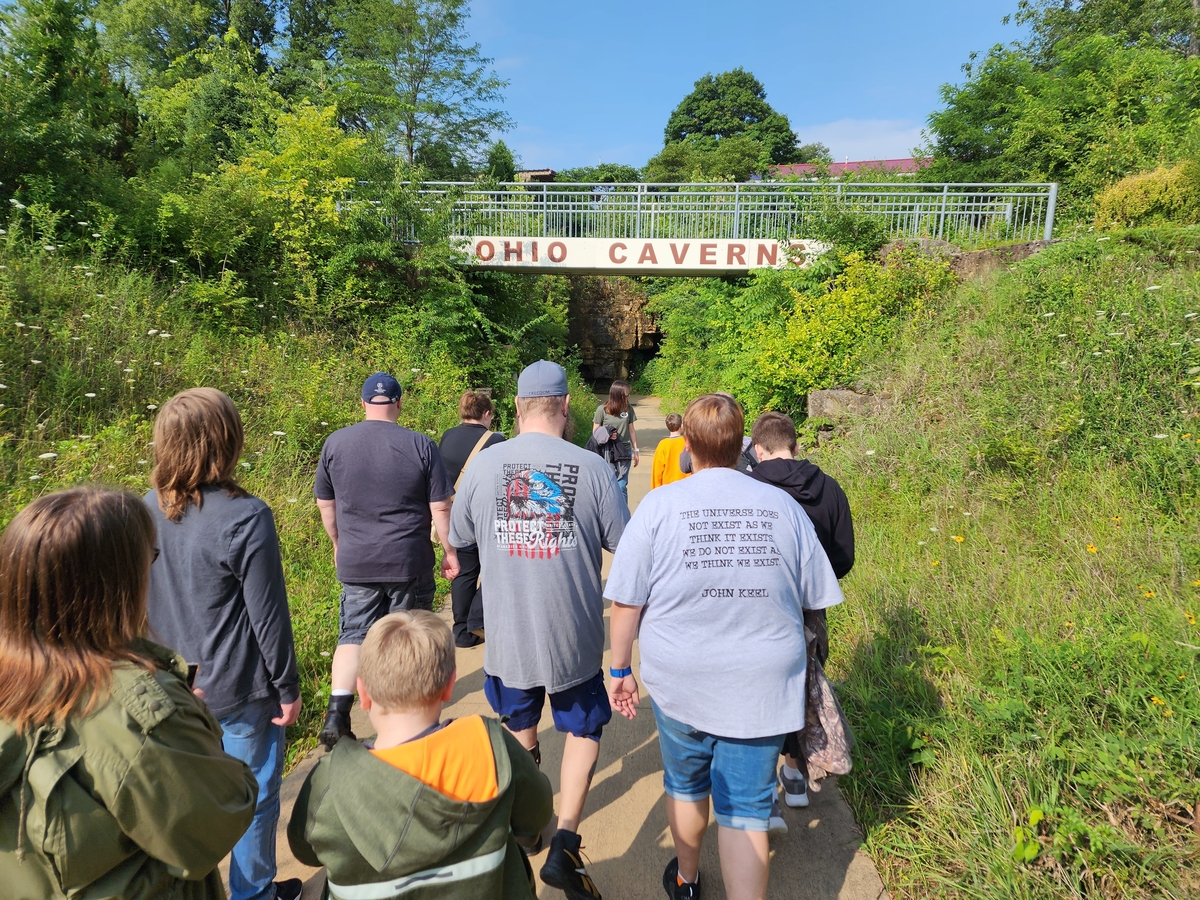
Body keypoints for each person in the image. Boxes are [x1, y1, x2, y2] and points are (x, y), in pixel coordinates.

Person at [604, 394, 844, 900]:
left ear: (687, 446)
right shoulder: (782, 506)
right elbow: (816, 596)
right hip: (762, 679)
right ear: (744, 447)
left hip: (682, 675)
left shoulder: (659, 507)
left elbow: (626, 601)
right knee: (745, 810)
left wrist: (619, 668)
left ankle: (688, 880)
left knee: (687, 785)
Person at [0, 487, 258, 899]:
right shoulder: (137, 712)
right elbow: (220, 817)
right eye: (149, 559)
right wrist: (194, 724)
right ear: (111, 586)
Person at [451, 360, 628, 900]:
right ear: (568, 405)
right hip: (573, 637)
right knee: (582, 729)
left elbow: (459, 536)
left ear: (517, 406)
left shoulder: (484, 467)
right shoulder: (592, 467)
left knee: (519, 726)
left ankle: (530, 826)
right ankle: (566, 841)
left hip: (507, 636)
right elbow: (624, 544)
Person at [146, 388, 303, 900]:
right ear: (227, 442)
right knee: (253, 797)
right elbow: (268, 615)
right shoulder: (245, 516)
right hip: (238, 689)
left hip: (168, 690)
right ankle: (252, 893)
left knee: (179, 800)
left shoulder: (142, 509)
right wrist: (287, 686)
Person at [288, 610, 553, 899]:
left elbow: (306, 851)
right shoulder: (488, 746)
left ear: (362, 693)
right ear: (449, 685)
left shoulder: (329, 781)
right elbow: (535, 815)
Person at [314, 372, 459, 748]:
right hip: (407, 560)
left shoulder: (335, 443)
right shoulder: (420, 445)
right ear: (398, 403)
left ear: (363, 404)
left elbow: (325, 505)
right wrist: (449, 551)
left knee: (353, 635)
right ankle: (408, 722)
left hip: (357, 558)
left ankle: (337, 713)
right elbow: (440, 507)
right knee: (408, 635)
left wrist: (337, 542)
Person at [749, 411, 855, 814]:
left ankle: (761, 785)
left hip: (760, 603)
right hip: (810, 607)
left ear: (758, 450)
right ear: (795, 445)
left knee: (761, 687)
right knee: (804, 685)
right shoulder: (829, 488)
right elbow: (843, 556)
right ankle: (796, 776)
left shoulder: (750, 486)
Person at [439, 390, 505, 647]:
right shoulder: (496, 440)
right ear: (487, 414)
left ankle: (461, 632)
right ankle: (479, 619)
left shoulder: (448, 436)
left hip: (455, 514)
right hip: (484, 516)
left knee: (464, 573)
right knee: (494, 569)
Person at [593, 380, 639, 501]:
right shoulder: (601, 410)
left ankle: (624, 517)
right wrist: (607, 435)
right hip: (607, 452)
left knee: (621, 485)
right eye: (626, 395)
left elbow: (632, 431)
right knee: (609, 484)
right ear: (617, 395)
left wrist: (636, 450)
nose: (628, 397)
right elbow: (595, 432)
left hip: (625, 452)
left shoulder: (628, 408)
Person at [651, 412, 688, 489]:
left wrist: (655, 490)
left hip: (667, 488)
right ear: (681, 425)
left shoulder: (663, 445)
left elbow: (657, 471)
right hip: (687, 486)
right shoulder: (687, 442)